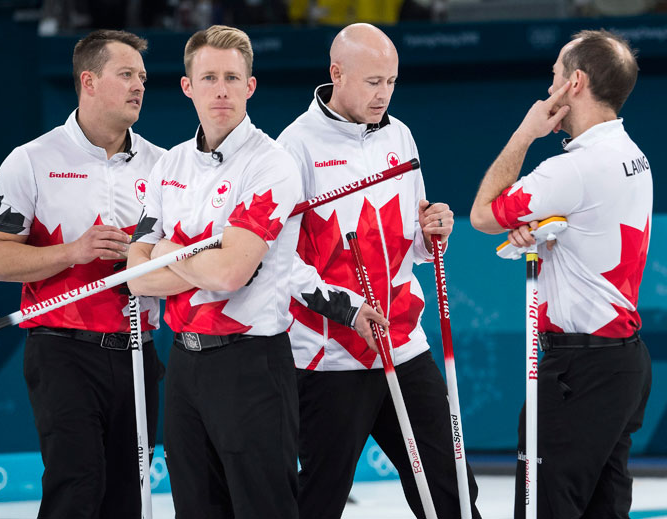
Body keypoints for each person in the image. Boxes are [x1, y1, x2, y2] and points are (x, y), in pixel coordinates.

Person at [277, 23, 481, 519]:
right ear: (336, 73)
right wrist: (348, 313)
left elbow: (412, 246)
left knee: (451, 490)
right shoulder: (293, 147)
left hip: (403, 342)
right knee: (317, 501)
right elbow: (281, 263)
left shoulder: (400, 134)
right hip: (329, 358)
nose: (383, 94)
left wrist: (435, 233)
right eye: (373, 82)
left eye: (391, 81)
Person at [0, 30, 164, 518]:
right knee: (77, 486)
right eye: (126, 75)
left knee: (128, 495)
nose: (138, 86)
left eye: (142, 77)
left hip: (139, 352)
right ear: (89, 81)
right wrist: (72, 251)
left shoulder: (164, 166)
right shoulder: (31, 161)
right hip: (63, 350)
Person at [470, 29, 652, 519]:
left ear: (575, 82)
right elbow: (587, 227)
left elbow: (483, 215)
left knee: (542, 509)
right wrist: (548, 233)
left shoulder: (571, 171)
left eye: (553, 76)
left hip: (579, 371)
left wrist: (525, 133)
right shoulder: (632, 155)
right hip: (623, 363)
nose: (547, 89)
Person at [126, 25, 302, 519]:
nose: (220, 89)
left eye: (231, 77)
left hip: (251, 365)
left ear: (250, 86)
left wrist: (166, 250)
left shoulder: (271, 164)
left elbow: (229, 273)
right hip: (184, 363)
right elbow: (135, 277)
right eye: (208, 78)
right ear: (188, 86)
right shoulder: (167, 166)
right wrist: (194, 259)